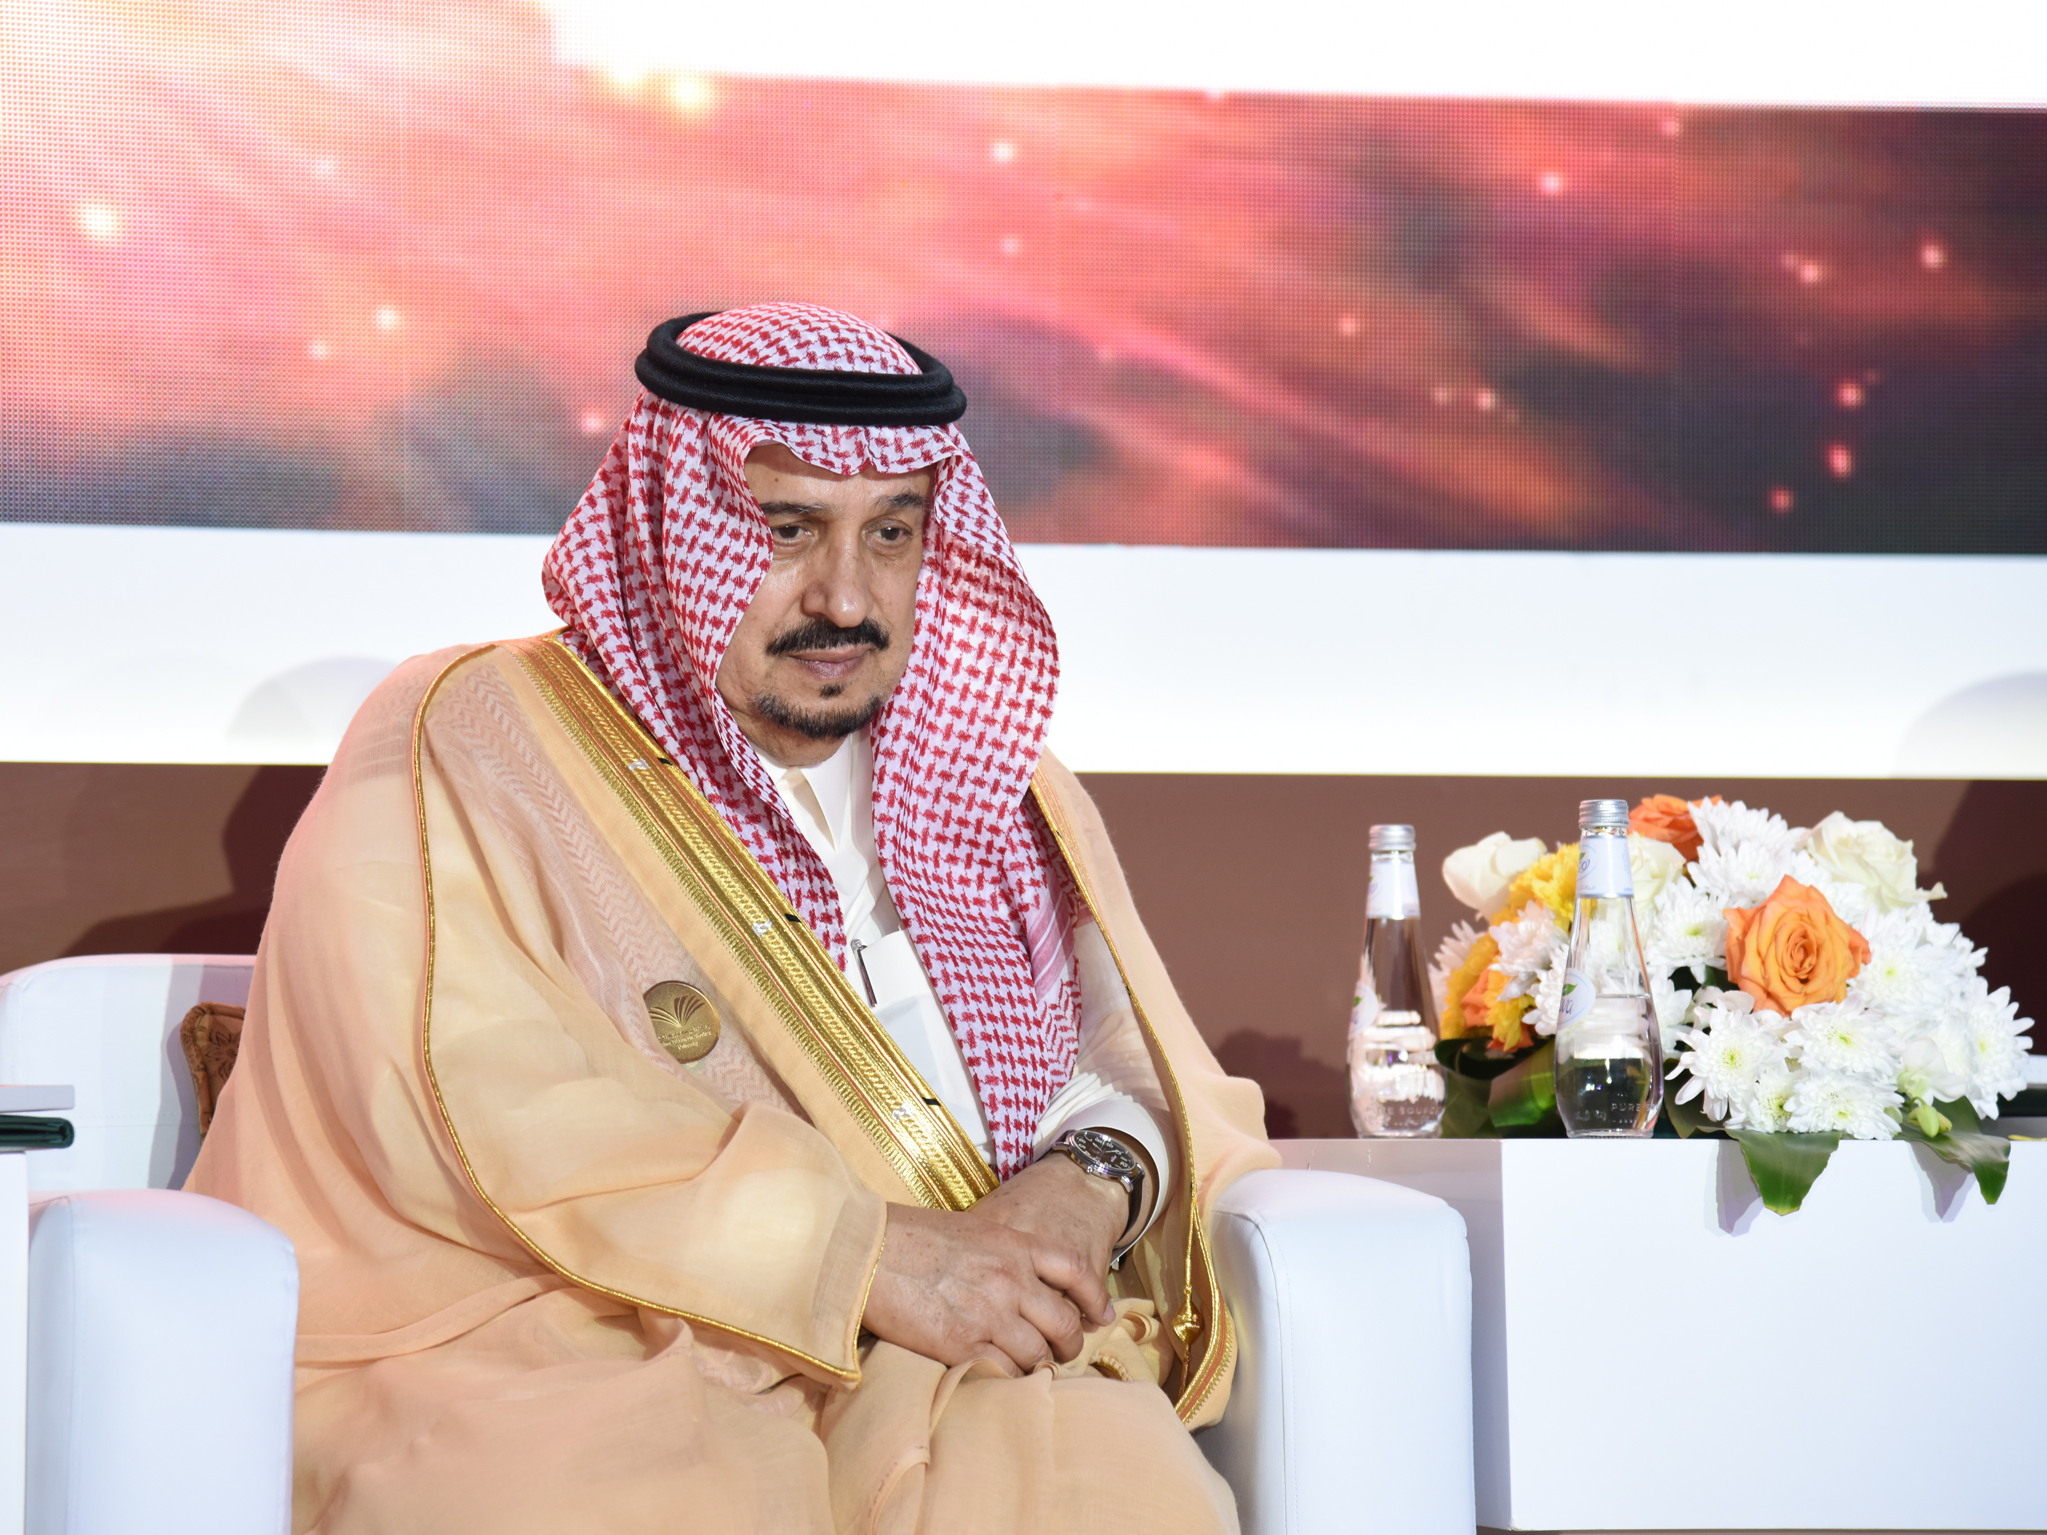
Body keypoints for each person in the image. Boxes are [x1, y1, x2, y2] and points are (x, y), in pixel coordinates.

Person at [187, 303, 1280, 1534]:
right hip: (581, 1332)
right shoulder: (473, 731)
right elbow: (472, 1093)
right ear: (673, 524)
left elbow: (1137, 1064)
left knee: (1111, 1494)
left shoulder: (998, 779)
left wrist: (1088, 1181)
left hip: (963, 1347)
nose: (845, 597)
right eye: (785, 528)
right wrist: (860, 1257)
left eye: (891, 532)